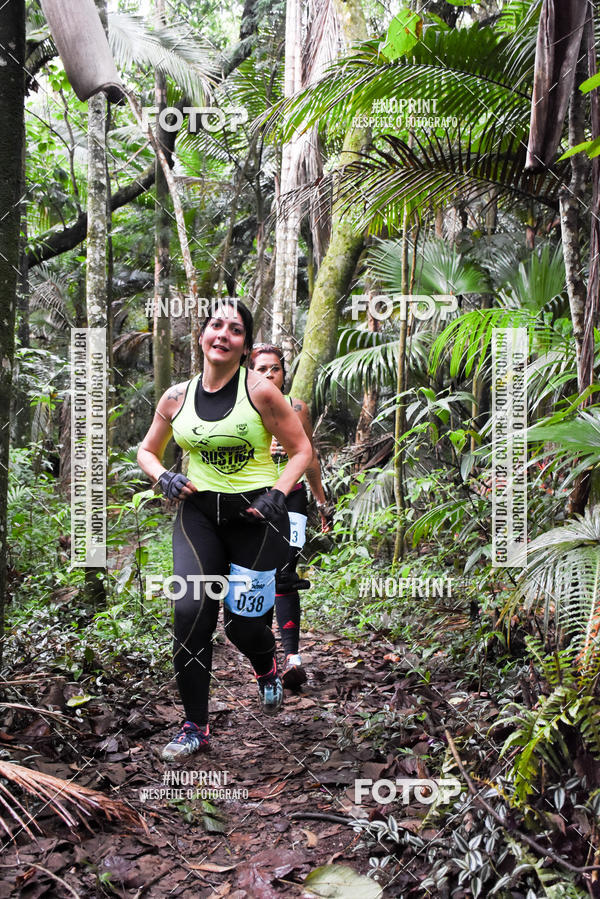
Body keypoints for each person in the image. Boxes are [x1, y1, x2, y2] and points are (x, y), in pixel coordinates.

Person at [137, 301, 313, 760]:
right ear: (202, 334)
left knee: (241, 626)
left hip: (253, 519)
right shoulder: (175, 397)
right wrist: (164, 476)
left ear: (244, 346)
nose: (223, 335)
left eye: (235, 330)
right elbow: (146, 452)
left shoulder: (261, 393)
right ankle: (195, 725)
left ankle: (266, 663)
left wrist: (277, 493)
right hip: (198, 515)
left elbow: (300, 450)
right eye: (216, 325)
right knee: (190, 611)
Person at [248, 345, 332, 690]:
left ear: (285, 374)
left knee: (284, 572)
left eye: (276, 369)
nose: (270, 375)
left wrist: (322, 502)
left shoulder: (297, 408)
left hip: (293, 498)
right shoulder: (241, 408)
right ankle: (265, 660)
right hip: (254, 498)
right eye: (262, 369)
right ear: (251, 372)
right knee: (259, 578)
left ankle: (293, 658)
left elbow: (309, 455)